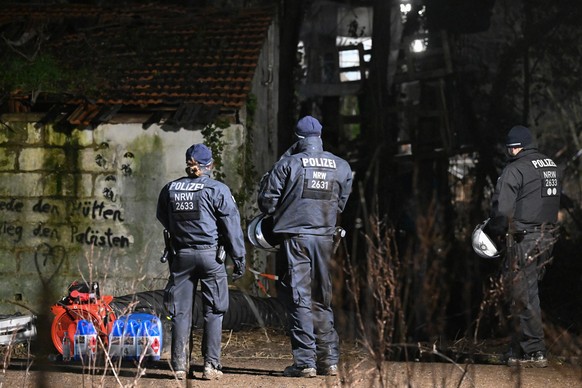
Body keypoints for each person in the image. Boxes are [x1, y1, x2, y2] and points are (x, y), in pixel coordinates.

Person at [257, 116, 353, 378]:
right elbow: (341, 204)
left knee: (300, 297)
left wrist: (281, 163)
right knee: (321, 297)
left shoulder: (288, 164)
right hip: (325, 238)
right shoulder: (341, 166)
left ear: (298, 138)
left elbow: (266, 204)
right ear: (319, 137)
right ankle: (329, 361)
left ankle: (305, 362)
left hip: (296, 238)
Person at [156, 143, 246, 380]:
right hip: (211, 257)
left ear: (188, 162)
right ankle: (211, 366)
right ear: (211, 165)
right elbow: (231, 227)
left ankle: (179, 366)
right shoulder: (218, 189)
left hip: (182, 257)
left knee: (180, 312)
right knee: (214, 311)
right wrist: (238, 257)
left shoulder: (170, 188)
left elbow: (163, 216)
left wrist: (181, 234)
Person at [485, 125, 561, 368]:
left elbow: (502, 212)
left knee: (521, 295)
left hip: (523, 238)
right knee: (530, 293)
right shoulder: (550, 165)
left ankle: (534, 351)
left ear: (514, 147)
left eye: (510, 148)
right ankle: (519, 348)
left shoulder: (514, 169)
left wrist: (491, 231)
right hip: (547, 238)